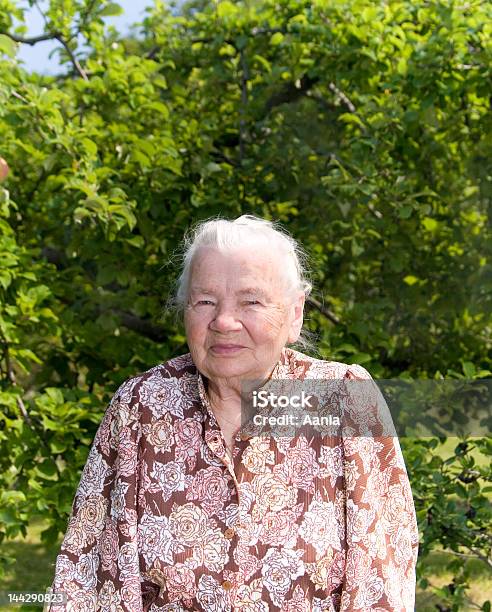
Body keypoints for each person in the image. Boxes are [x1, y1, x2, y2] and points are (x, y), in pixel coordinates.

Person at [48, 214, 419, 611]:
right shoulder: (139, 407)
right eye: (205, 301)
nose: (223, 321)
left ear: (295, 314)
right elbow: (85, 578)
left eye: (251, 301)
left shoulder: (343, 400)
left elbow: (381, 579)